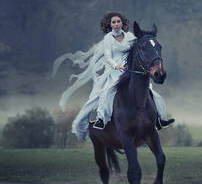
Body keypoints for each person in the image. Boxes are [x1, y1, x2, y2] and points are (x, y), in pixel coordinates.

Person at [52, 12, 174, 141]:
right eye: (113, 22)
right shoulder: (108, 39)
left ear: (122, 23)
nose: (116, 24)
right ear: (110, 25)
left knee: (152, 93)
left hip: (130, 71)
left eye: (118, 22)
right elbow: (108, 56)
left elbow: (139, 49)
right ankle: (101, 119)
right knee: (107, 93)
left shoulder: (130, 36)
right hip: (114, 71)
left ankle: (160, 119)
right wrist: (116, 65)